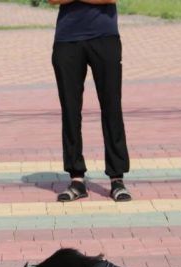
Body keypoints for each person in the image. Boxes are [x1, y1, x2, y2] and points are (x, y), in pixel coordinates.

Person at [48, 0, 133, 202]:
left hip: (105, 37)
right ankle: (76, 178)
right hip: (67, 40)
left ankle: (116, 178)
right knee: (70, 111)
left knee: (112, 108)